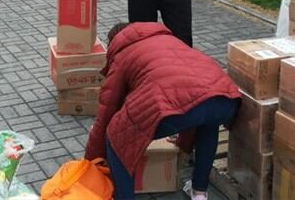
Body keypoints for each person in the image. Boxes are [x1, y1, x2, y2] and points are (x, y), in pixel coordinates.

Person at [85, 22, 240, 200]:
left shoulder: (122, 54)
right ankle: (199, 193)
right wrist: (182, 135)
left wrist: (89, 162)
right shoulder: (169, 39)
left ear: (113, 42)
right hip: (224, 98)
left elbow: (107, 111)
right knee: (209, 122)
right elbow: (190, 93)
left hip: (179, 105)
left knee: (115, 137)